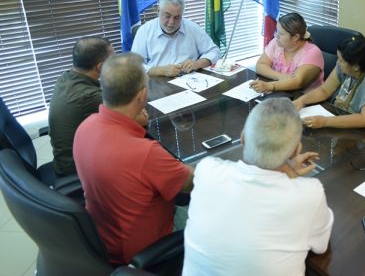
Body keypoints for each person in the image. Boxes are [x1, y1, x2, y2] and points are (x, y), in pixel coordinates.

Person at [182, 98, 334, 276]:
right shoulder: (310, 193)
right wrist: (290, 173)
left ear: (242, 137)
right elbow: (320, 246)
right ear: (295, 150)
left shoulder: (207, 170)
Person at [73, 53, 194, 265]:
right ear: (142, 95)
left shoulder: (85, 126)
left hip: (103, 238)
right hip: (144, 252)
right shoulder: (145, 153)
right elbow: (191, 183)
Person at [294, 35, 365, 130]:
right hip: (354, 121)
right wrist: (301, 101)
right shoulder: (347, 65)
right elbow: (325, 90)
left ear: (356, 66)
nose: (338, 62)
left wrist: (324, 121)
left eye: (341, 60)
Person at [48, 37, 113, 176]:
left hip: (64, 159)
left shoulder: (65, 78)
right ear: (100, 67)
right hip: (76, 168)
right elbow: (135, 118)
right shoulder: (90, 97)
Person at [131, 0, 221, 77]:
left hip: (189, 79)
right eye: (167, 16)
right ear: (158, 11)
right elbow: (134, 66)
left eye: (177, 18)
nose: (171, 22)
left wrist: (196, 64)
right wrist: (161, 70)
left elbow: (214, 51)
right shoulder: (144, 31)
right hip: (158, 81)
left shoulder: (192, 28)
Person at [250, 12, 324, 93]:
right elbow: (260, 65)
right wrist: (280, 76)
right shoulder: (277, 43)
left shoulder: (313, 53)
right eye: (277, 31)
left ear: (295, 37)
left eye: (281, 34)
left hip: (305, 97)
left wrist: (269, 86)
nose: (276, 36)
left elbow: (297, 82)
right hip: (281, 93)